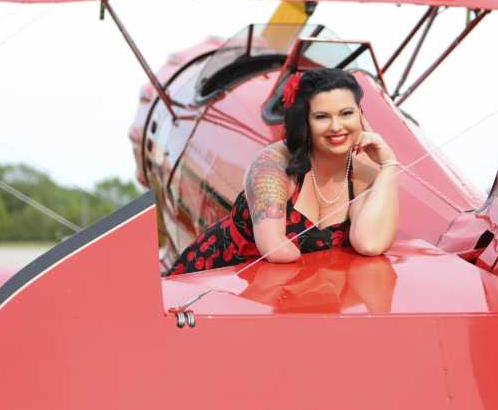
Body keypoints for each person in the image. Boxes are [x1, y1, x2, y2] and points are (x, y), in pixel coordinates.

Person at [168, 68, 399, 275]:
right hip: (218, 281)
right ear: (304, 121)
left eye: (346, 113)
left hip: (299, 295)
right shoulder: (272, 165)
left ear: (361, 115)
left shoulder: (362, 168)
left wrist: (388, 165)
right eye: (322, 117)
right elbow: (277, 251)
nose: (336, 127)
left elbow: (369, 243)